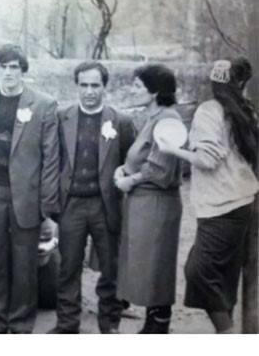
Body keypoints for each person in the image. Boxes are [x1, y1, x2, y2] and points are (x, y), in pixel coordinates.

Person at [157, 58, 259, 334]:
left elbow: (206, 160)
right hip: (241, 203)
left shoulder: (209, 111)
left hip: (219, 205)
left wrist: (172, 149)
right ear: (241, 82)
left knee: (198, 272)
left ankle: (226, 335)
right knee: (224, 276)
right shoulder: (244, 110)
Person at [0, 45, 60, 333]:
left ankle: (21, 324)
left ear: (23, 70)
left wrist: (47, 204)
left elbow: (51, 157)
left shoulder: (43, 104)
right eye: (3, 67)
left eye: (14, 67)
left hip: (27, 196)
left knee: (25, 263)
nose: (9, 73)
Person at [49, 62, 136, 334]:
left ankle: (109, 325)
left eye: (95, 85)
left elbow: (129, 162)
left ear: (104, 87)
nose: (89, 91)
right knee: (68, 267)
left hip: (105, 205)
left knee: (111, 268)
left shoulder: (120, 121)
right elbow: (53, 161)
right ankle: (67, 325)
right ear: (76, 86)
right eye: (84, 85)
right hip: (71, 204)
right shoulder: (61, 117)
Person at [114, 64, 184, 334]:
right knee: (145, 265)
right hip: (142, 203)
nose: (132, 90)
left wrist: (129, 180)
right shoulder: (153, 117)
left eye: (138, 86)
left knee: (156, 265)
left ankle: (158, 327)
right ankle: (152, 325)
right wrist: (123, 169)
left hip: (157, 203)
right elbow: (141, 156)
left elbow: (160, 169)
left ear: (154, 91)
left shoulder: (169, 120)